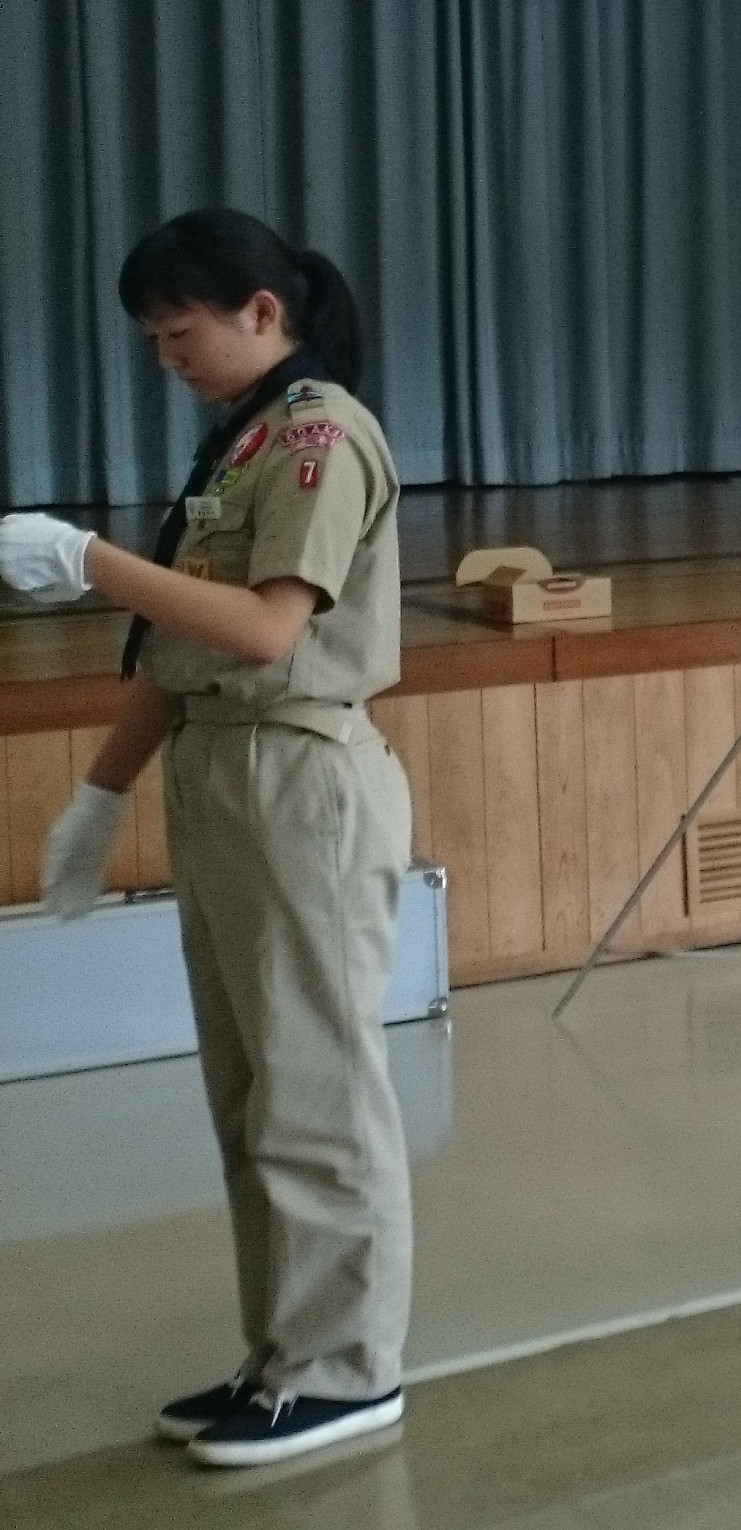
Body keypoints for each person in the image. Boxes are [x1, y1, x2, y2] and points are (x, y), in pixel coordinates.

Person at [2, 211, 416, 1469]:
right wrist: (102, 794)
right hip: (223, 769)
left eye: (178, 331)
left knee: (315, 1088)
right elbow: (179, 652)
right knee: (251, 1091)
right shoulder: (241, 441)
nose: (165, 356)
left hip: (297, 774)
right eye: (150, 339)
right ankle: (283, 1353)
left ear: (261, 312)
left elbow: (264, 630)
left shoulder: (318, 434)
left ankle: (348, 1370)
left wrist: (89, 559)